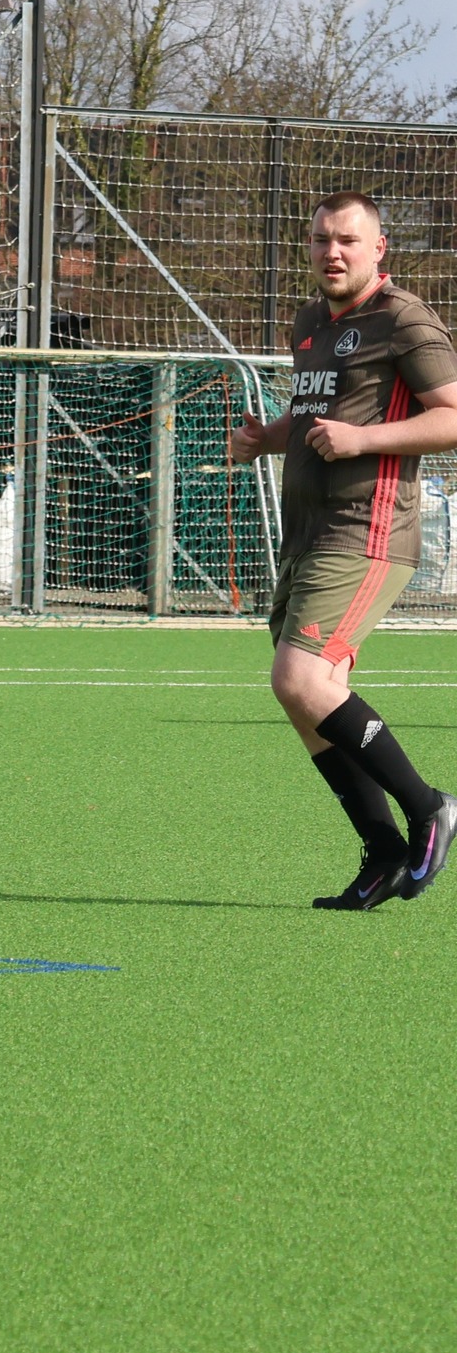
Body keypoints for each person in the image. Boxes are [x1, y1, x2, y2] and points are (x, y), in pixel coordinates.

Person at [231, 190, 457, 910]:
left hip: (369, 529)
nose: (334, 252)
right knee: (305, 700)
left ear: (378, 248)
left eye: (349, 241)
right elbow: (313, 406)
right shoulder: (310, 323)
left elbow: (452, 416)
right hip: (308, 532)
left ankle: (430, 809)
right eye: (323, 239)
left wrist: (363, 441)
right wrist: (268, 436)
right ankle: (383, 853)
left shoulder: (404, 319)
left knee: (301, 680)